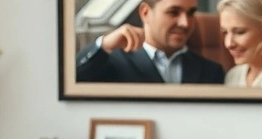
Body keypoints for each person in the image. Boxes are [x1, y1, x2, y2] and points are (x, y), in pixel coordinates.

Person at [76, 0, 226, 84]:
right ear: (145, 13)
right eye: (173, 12)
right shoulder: (112, 63)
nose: (185, 23)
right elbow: (71, 81)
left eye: (191, 13)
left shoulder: (211, 72)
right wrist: (104, 45)